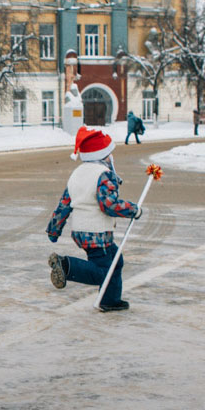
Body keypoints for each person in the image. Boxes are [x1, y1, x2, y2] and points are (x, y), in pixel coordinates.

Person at [46, 126, 142, 312]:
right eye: (109, 154)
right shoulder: (103, 174)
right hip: (97, 232)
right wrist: (133, 210)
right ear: (102, 155)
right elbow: (109, 204)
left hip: (81, 231)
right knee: (104, 271)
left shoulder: (77, 174)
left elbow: (64, 204)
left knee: (116, 261)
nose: (112, 158)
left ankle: (110, 300)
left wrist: (53, 229)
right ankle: (66, 266)